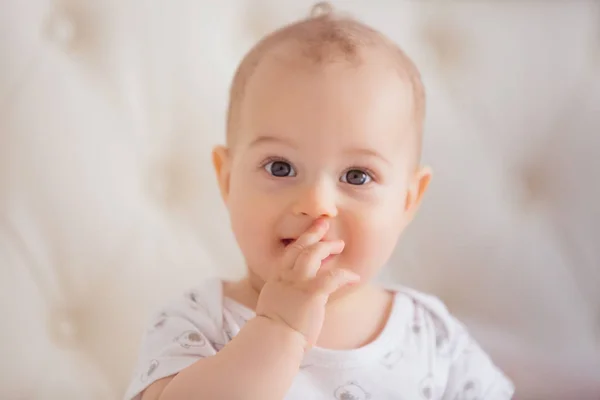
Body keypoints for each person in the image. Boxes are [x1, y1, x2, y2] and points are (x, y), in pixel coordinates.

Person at [124, 3, 515, 399]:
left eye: (357, 176)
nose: (316, 204)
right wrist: (278, 328)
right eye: (280, 167)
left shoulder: (430, 335)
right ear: (227, 180)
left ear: (408, 201)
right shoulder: (196, 323)